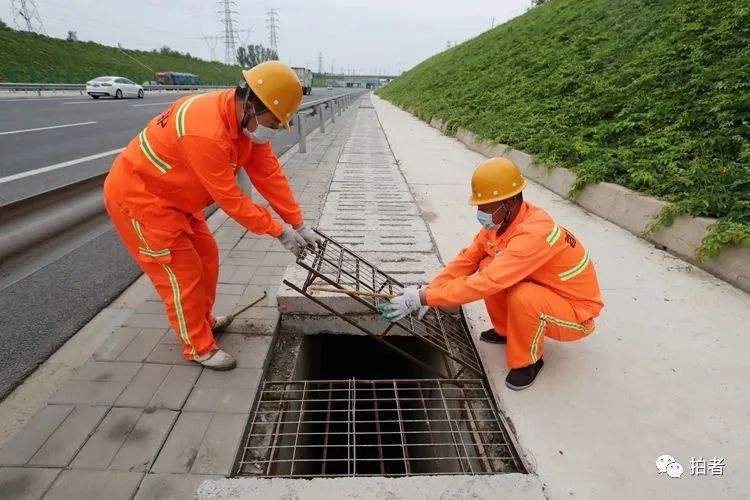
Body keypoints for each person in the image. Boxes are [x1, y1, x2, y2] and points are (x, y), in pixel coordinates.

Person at [103, 61, 322, 371]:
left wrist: (299, 223)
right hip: (142, 200)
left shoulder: (245, 125)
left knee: (207, 257)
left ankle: (203, 321)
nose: (271, 133)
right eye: (272, 124)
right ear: (252, 104)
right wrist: (279, 231)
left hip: (177, 198)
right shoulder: (206, 133)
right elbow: (232, 201)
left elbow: (269, 175)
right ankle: (198, 346)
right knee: (183, 274)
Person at [381, 157, 604, 390]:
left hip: (577, 312)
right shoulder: (501, 225)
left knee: (523, 295)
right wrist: (431, 290)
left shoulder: (534, 233)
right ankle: (507, 331)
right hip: (548, 291)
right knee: (488, 263)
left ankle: (529, 362)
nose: (480, 213)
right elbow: (467, 259)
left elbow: (487, 283)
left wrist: (424, 298)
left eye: (485, 207)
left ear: (507, 202)